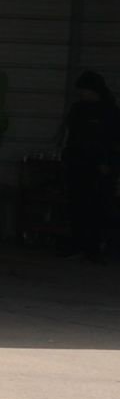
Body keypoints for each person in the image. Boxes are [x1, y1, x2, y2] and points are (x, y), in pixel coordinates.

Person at [64, 71, 117, 262]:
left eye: (85, 90)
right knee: (77, 206)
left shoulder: (109, 112)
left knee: (98, 208)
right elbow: (74, 137)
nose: (82, 94)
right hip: (78, 165)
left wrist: (106, 163)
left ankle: (96, 248)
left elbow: (111, 141)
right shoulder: (78, 110)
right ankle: (78, 246)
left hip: (99, 169)